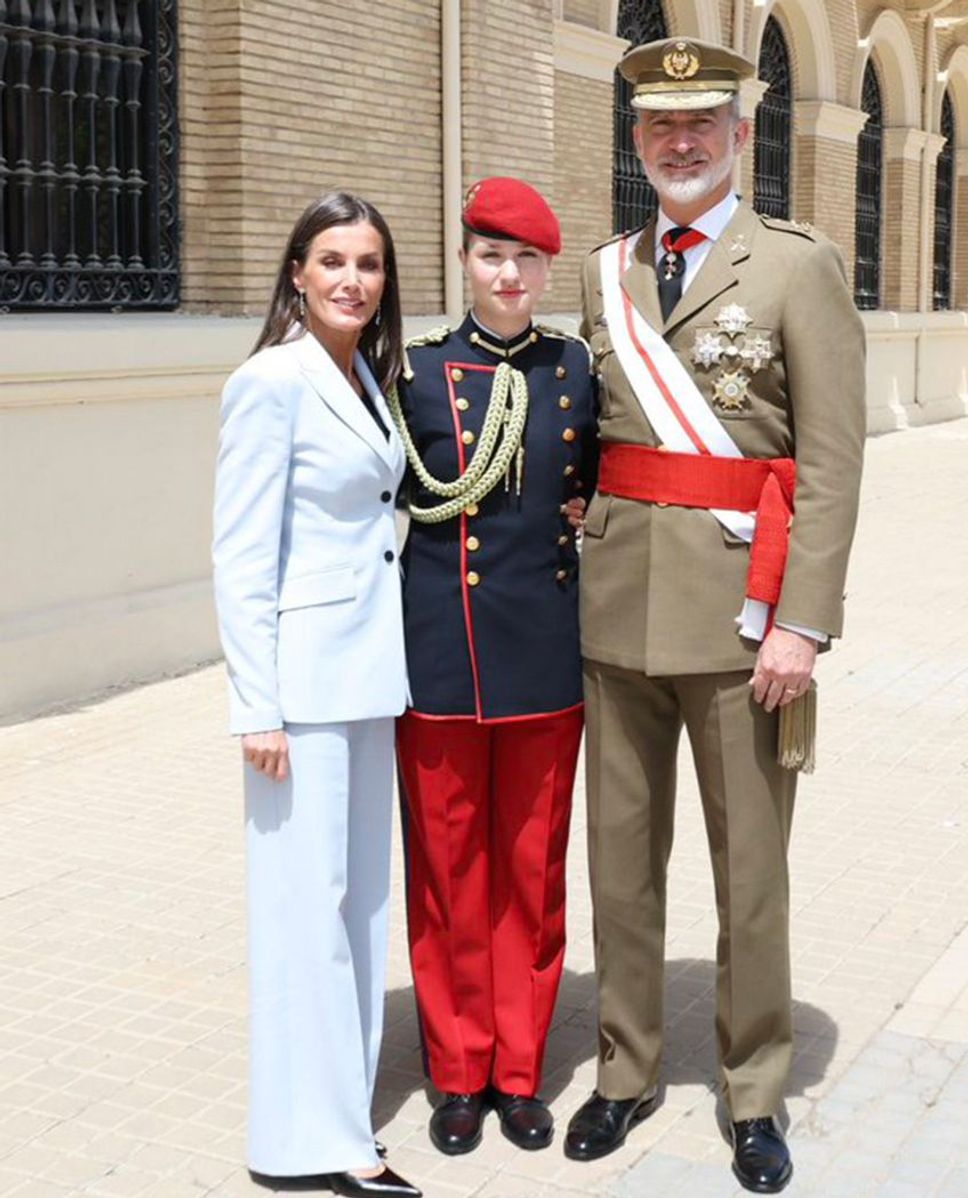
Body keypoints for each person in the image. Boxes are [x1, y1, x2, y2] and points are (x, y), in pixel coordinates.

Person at [565, 38, 866, 1194]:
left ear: (741, 134)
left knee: (749, 872)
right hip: (615, 611)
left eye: (700, 124)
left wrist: (804, 622)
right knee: (619, 863)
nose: (678, 143)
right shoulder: (606, 273)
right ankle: (626, 1068)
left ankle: (753, 1092)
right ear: (637, 143)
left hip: (747, 625)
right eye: (656, 127)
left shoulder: (795, 265)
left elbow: (831, 467)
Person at [212, 191, 420, 1198]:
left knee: (358, 905)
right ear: (296, 271)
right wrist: (256, 705)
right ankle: (323, 1142)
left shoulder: (368, 378)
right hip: (300, 689)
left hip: (370, 675)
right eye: (331, 260)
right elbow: (240, 555)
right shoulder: (271, 380)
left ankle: (335, 1108)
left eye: (369, 263)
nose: (351, 279)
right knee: (306, 910)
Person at [386, 177, 597, 1156]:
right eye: (490, 255)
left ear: (546, 269)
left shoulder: (574, 369)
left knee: (530, 874)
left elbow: (602, 485)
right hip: (438, 655)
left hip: (546, 654)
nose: (508, 274)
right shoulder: (414, 370)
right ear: (464, 259)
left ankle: (519, 1071)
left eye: (526, 259)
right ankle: (458, 1070)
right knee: (445, 874)